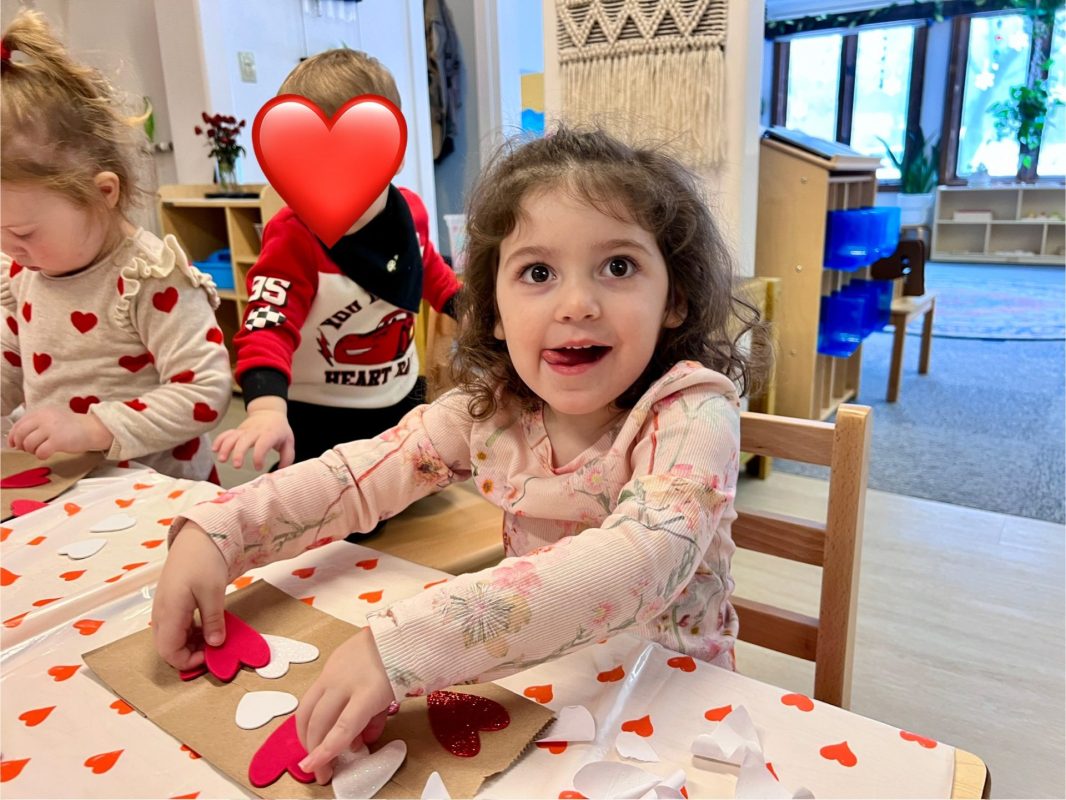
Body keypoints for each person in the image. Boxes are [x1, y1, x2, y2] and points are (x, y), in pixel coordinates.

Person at [152, 126, 766, 783]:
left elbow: (641, 560)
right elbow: (359, 476)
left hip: (676, 715)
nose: (577, 305)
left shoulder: (693, 411)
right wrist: (221, 532)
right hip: (537, 690)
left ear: (674, 298)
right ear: (492, 309)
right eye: (537, 273)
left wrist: (399, 647)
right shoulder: (495, 407)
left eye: (618, 267)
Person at [0, 10, 231, 481]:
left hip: (158, 492)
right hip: (72, 487)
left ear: (103, 193)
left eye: (23, 233)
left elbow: (205, 392)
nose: (10, 249)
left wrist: (92, 427)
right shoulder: (24, 271)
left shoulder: (150, 277)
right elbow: (10, 359)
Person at [212, 48, 461, 473]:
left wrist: (465, 307)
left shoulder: (412, 212)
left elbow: (429, 269)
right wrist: (266, 408)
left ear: (393, 153)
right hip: (321, 414)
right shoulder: (294, 236)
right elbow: (267, 322)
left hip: (399, 397)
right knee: (322, 501)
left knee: (407, 492)